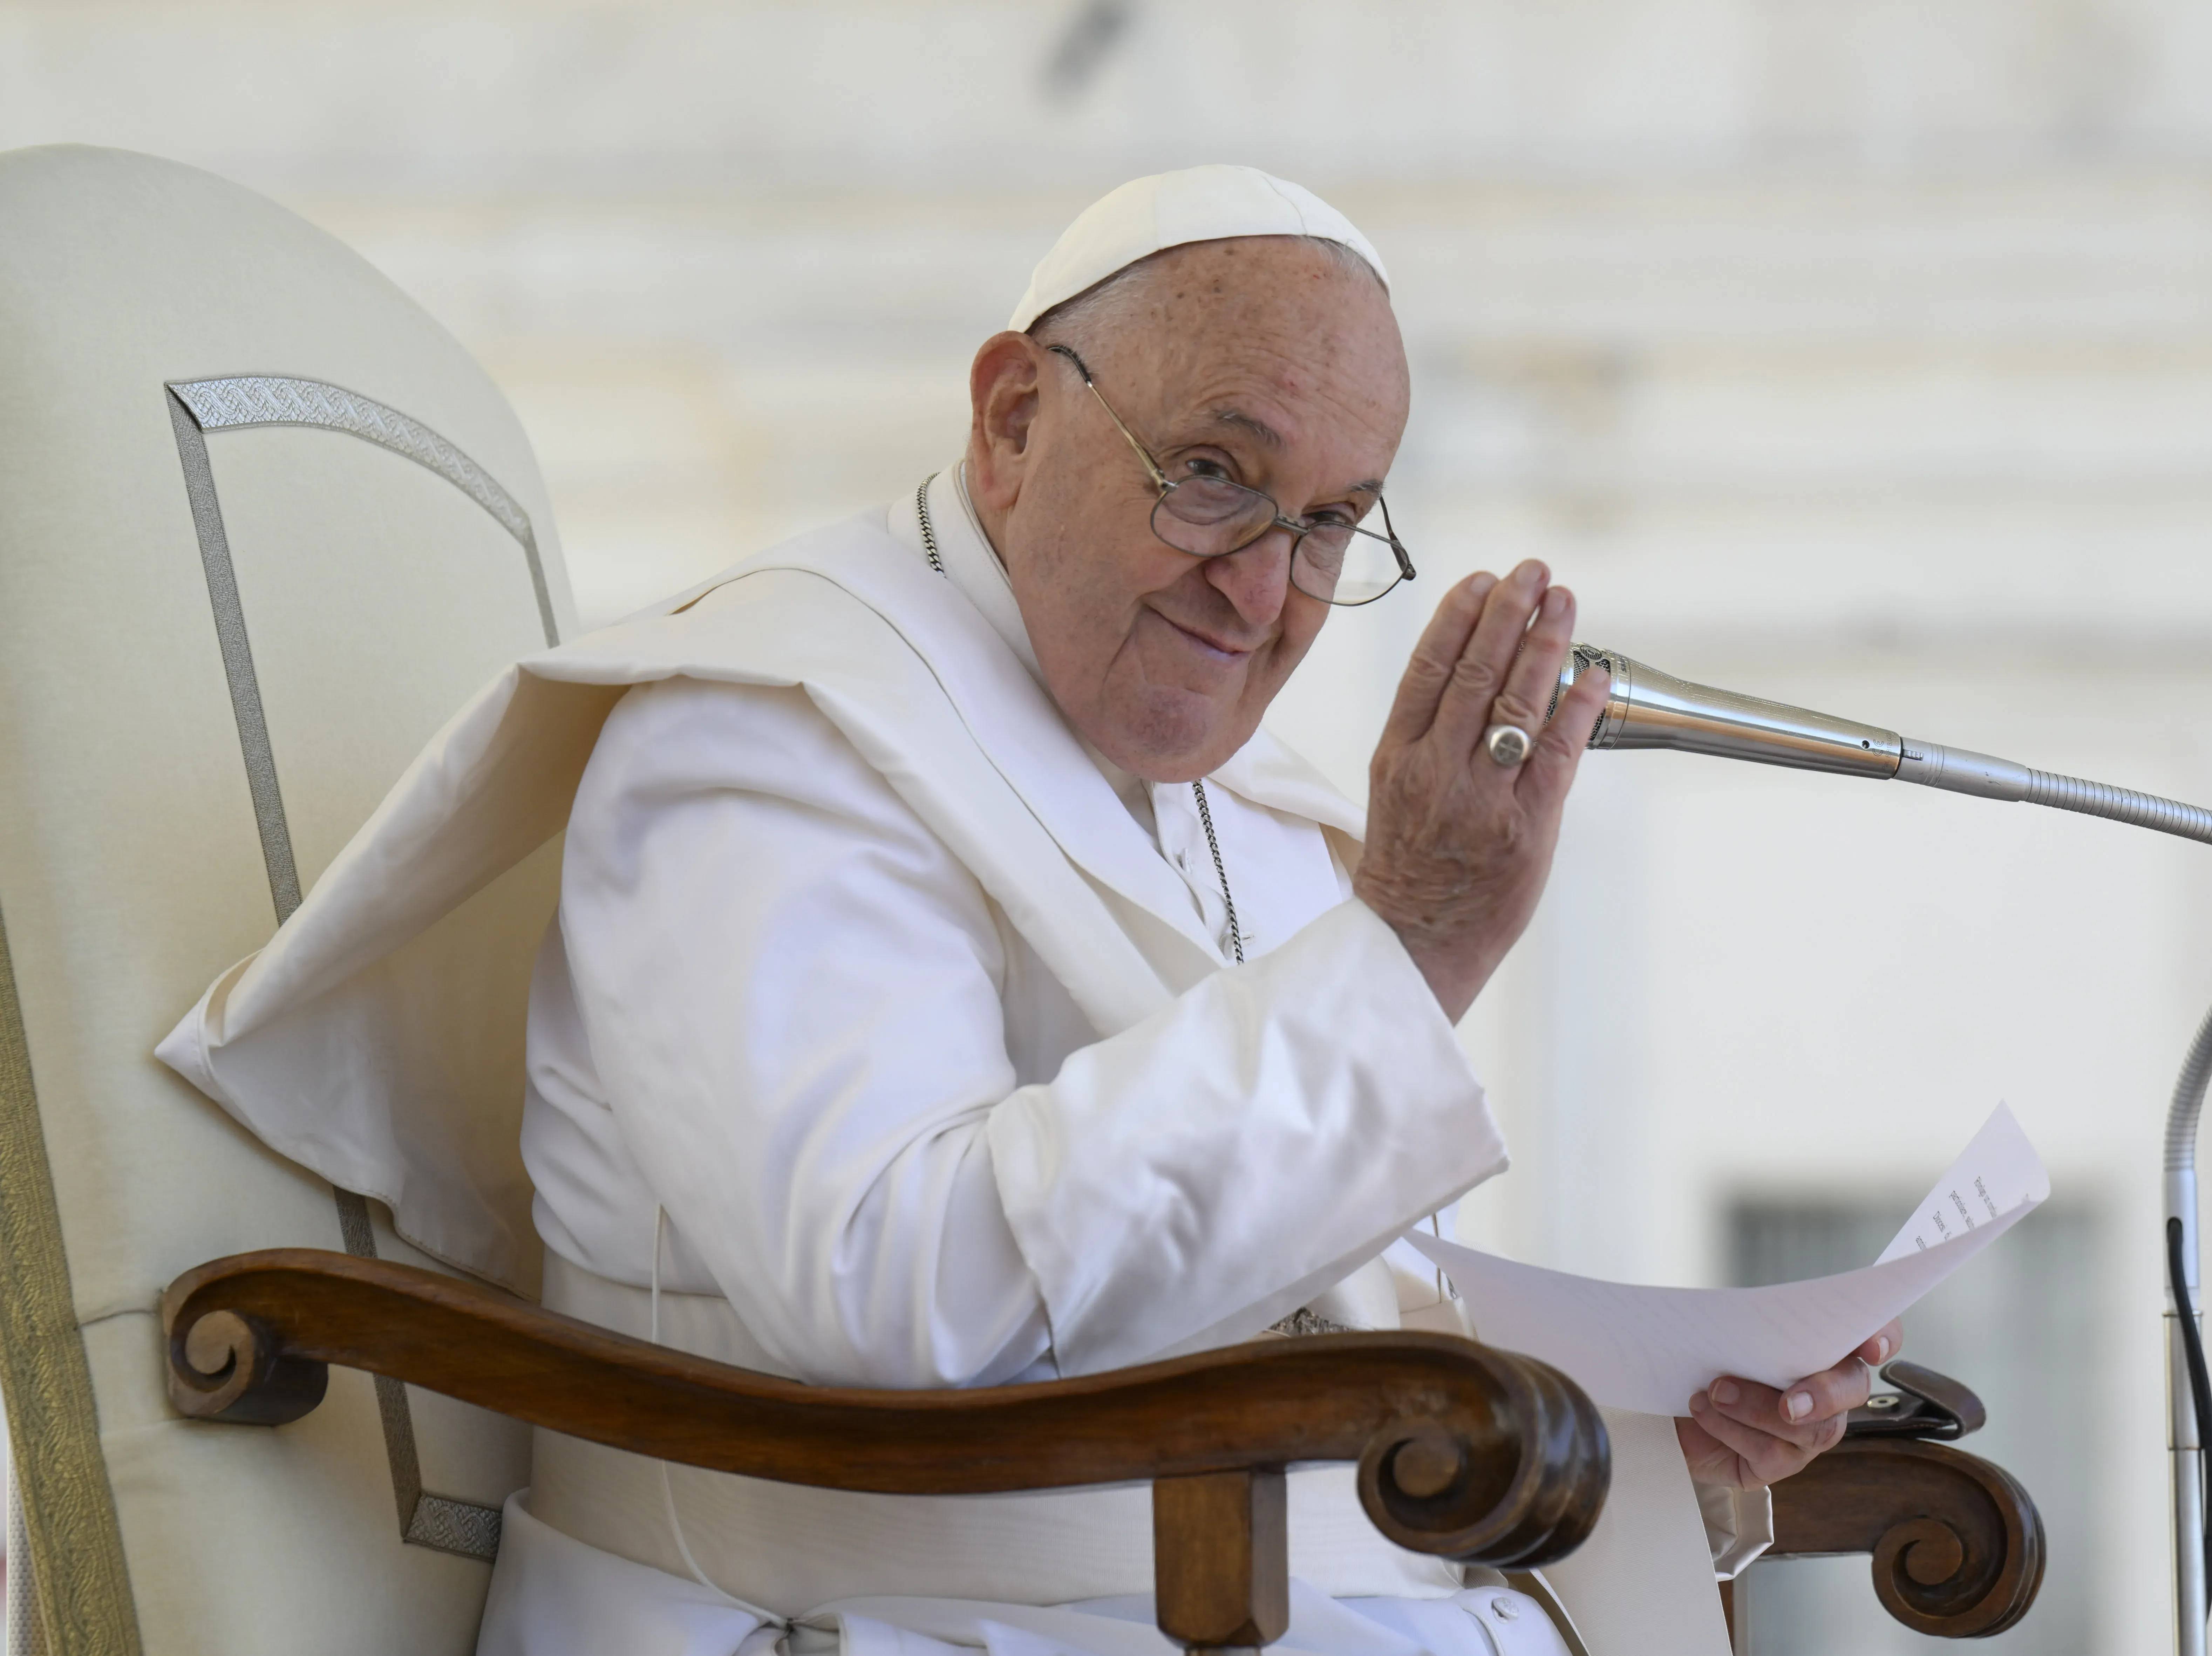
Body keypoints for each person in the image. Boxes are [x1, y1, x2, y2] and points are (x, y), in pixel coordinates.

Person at [164, 165, 1896, 1656]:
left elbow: (1301, 1322)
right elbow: (890, 1290)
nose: (1266, 589)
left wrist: (1664, 1427)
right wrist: (1412, 948)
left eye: (1329, 523)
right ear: (1011, 418)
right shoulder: (766, 732)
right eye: (1214, 469)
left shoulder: (1254, 804)